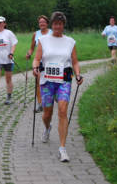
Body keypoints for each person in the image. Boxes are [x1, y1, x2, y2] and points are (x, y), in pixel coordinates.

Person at [32, 11, 83, 162]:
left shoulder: (70, 42)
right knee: (47, 113)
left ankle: (62, 148)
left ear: (63, 25)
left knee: (62, 110)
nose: (57, 26)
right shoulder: (43, 40)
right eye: (55, 24)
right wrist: (35, 68)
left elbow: (74, 61)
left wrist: (78, 74)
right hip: (47, 80)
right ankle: (48, 127)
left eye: (60, 24)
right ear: (51, 24)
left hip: (64, 79)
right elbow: (37, 59)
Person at [26, 15, 52, 113]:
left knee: (50, 82)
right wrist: (29, 53)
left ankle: (52, 97)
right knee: (38, 82)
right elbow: (32, 47)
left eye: (43, 22)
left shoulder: (52, 33)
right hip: (39, 61)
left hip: (51, 62)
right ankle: (40, 103)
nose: (42, 24)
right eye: (40, 22)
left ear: (47, 23)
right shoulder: (35, 34)